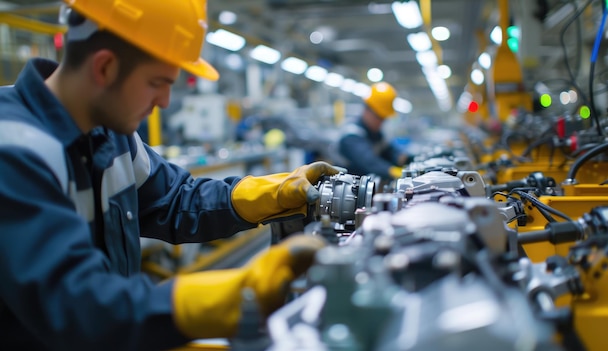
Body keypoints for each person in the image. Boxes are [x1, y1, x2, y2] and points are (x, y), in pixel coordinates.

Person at [0, 1, 340, 350]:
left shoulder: (113, 136)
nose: (164, 101)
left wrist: (273, 194)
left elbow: (175, 199)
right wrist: (237, 295)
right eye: (157, 82)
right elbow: (74, 304)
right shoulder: (12, 148)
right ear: (105, 67)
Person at [336, 82, 412, 180]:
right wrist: (394, 172)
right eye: (379, 117)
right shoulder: (351, 135)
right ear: (367, 110)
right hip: (345, 188)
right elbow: (369, 162)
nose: (381, 122)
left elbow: (390, 151)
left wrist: (405, 158)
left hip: (365, 188)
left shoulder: (376, 134)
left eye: (384, 118)